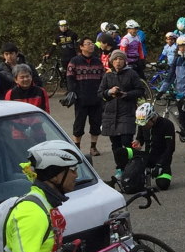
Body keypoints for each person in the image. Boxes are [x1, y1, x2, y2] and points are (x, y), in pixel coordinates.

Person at [98, 49, 146, 180]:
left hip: (127, 112)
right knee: (115, 144)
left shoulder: (131, 73)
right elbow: (100, 93)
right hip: (110, 113)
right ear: (111, 61)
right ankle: (120, 167)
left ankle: (133, 165)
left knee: (126, 141)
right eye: (115, 59)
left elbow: (140, 90)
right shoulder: (108, 75)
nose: (118, 62)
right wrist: (109, 92)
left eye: (120, 59)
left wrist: (126, 94)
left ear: (125, 61)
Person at [65, 38, 106, 156]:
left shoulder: (97, 61)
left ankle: (93, 147)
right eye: (88, 44)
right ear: (81, 47)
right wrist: (72, 92)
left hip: (96, 98)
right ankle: (77, 148)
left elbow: (103, 78)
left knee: (96, 123)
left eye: (92, 43)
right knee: (79, 124)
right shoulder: (75, 61)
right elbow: (69, 77)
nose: (91, 45)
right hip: (81, 99)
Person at [128, 101, 176, 192]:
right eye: (141, 124)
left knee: (163, 185)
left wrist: (160, 165)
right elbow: (140, 138)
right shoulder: (143, 124)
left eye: (145, 123)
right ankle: (124, 171)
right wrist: (138, 142)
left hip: (161, 159)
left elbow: (170, 148)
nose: (144, 126)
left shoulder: (167, 124)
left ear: (153, 118)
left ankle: (160, 171)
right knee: (122, 152)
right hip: (147, 157)